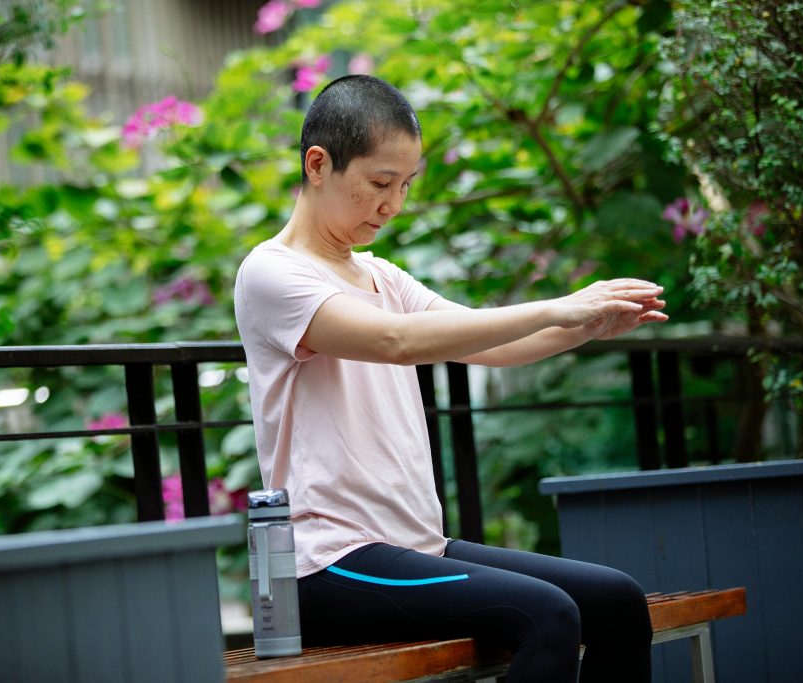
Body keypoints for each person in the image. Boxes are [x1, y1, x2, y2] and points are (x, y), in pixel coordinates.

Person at [234, 74, 663, 683]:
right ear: (318, 164)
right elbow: (396, 341)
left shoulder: (381, 275)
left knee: (616, 601)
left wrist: (585, 326)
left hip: (415, 549)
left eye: (405, 185)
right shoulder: (272, 273)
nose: (394, 205)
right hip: (329, 564)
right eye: (380, 183)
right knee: (547, 617)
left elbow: (492, 344)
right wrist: (557, 306)